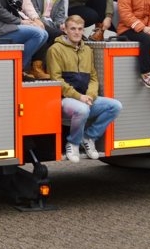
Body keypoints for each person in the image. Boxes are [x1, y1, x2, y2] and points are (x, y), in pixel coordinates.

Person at [46, 15, 123, 163]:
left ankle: (89, 137)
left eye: (80, 29)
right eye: (73, 29)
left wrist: (90, 96)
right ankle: (73, 143)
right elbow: (56, 80)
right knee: (82, 109)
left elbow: (93, 78)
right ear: (65, 30)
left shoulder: (87, 50)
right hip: (64, 101)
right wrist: (79, 97)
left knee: (115, 106)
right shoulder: (55, 50)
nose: (76, 32)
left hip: (85, 98)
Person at [14, 0, 50, 79]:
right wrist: (26, 21)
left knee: (44, 31)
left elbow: (28, 6)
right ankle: (23, 67)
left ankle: (30, 67)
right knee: (40, 33)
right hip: (10, 23)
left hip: (22, 18)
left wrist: (36, 19)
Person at [30, 0, 66, 69]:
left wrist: (60, 24)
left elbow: (60, 15)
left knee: (65, 33)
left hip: (52, 25)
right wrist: (50, 26)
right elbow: (35, 14)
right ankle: (40, 67)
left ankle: (55, 67)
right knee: (57, 35)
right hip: (38, 23)